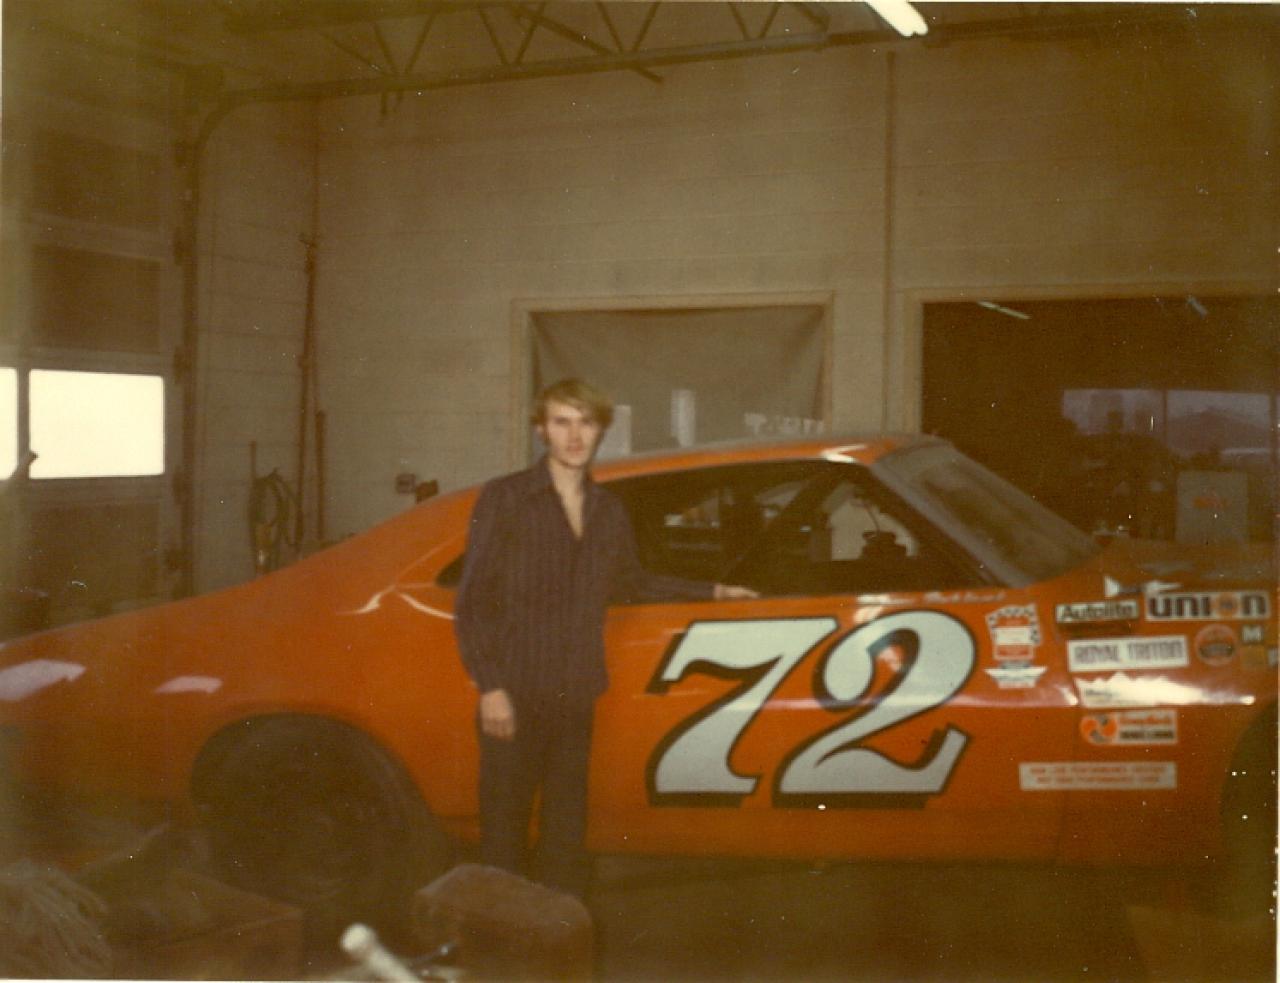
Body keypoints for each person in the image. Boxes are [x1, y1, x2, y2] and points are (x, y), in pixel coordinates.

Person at [453, 378, 756, 897]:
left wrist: (713, 590)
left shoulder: (608, 511)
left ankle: (557, 936)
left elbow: (633, 584)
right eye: (562, 422)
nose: (575, 436)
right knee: (503, 835)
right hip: (516, 694)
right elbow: (473, 602)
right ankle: (498, 940)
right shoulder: (506, 498)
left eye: (586, 423)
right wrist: (491, 687)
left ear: (600, 431)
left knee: (566, 833)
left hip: (575, 694)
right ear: (541, 429)